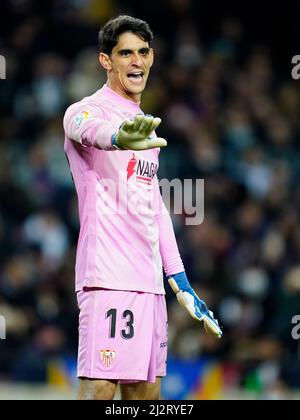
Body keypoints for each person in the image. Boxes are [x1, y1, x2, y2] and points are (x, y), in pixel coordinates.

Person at [63, 15, 222, 401]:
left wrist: (179, 280)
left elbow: (153, 209)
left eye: (142, 52)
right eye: (125, 53)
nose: (136, 61)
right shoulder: (88, 110)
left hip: (148, 284)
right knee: (100, 388)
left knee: (145, 394)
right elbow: (85, 128)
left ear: (151, 57)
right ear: (107, 61)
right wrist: (116, 137)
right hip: (108, 277)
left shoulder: (146, 128)